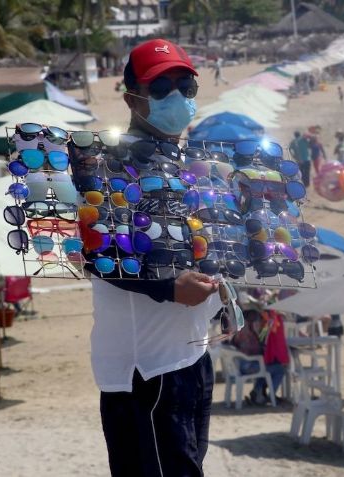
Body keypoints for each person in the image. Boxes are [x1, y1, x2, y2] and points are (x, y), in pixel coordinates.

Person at [100, 39, 222, 476]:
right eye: (160, 87)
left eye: (184, 86)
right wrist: (169, 288)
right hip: (146, 368)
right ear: (132, 97)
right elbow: (98, 253)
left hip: (192, 356)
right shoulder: (109, 163)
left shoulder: (185, 164)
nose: (176, 97)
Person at [232, 310, 288, 406]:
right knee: (279, 369)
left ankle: (256, 393)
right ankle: (271, 396)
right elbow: (258, 349)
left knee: (267, 368)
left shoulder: (240, 330)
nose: (260, 322)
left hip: (240, 365)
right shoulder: (249, 334)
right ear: (252, 321)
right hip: (248, 366)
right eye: (258, 320)